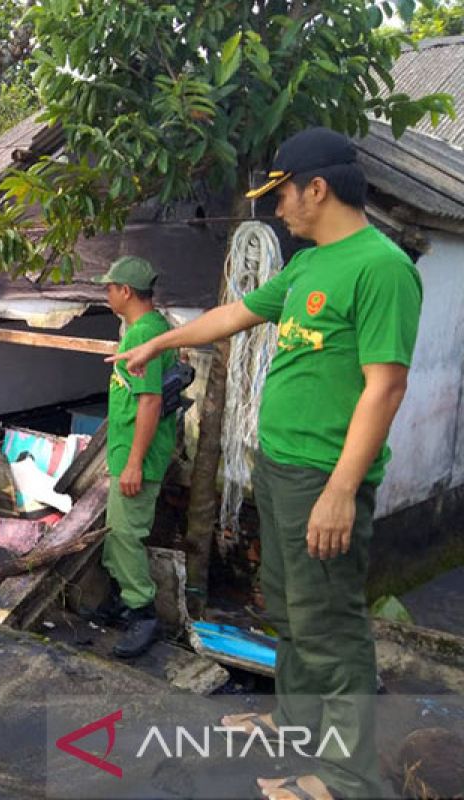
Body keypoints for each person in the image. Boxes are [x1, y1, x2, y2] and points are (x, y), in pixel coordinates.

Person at [110, 127, 421, 800]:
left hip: (324, 478)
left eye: (281, 195)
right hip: (279, 468)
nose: (276, 210)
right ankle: (296, 724)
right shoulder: (308, 265)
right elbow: (233, 316)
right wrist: (157, 342)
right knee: (287, 606)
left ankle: (347, 779)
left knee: (330, 624)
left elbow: (385, 385)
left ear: (317, 188)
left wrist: (341, 489)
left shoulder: (381, 267)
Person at [97, 255, 177, 659]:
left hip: (137, 456)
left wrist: (133, 463)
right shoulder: (151, 328)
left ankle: (143, 614)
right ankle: (120, 600)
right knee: (116, 530)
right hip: (129, 450)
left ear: (125, 291)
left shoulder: (142, 335)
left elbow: (149, 402)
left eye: (109, 288)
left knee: (127, 534)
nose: (106, 294)